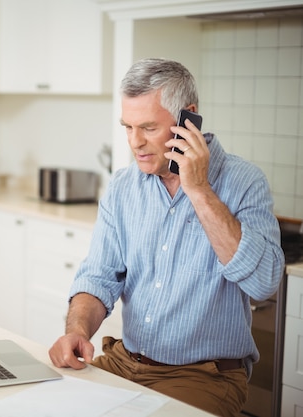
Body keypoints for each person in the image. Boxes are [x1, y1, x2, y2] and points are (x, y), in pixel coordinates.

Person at [48, 58, 284, 416]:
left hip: (204, 377)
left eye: (147, 127)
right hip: (124, 363)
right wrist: (77, 330)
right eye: (127, 127)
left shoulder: (244, 181)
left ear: (189, 118)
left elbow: (265, 283)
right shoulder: (124, 186)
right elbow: (98, 276)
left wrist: (199, 189)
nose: (135, 142)